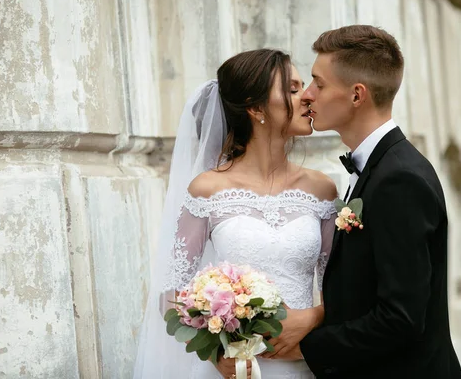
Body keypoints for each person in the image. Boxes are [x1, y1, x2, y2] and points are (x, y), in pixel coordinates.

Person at [265, 25, 461, 378]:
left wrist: (306, 347)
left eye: (318, 83)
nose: (307, 95)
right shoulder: (380, 167)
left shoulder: (398, 180)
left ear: (357, 95)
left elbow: (400, 319)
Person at [132, 48, 337, 379]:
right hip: (238, 370)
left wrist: (313, 316)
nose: (307, 97)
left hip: (304, 364)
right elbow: (171, 295)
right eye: (293, 88)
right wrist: (214, 351)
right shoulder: (207, 190)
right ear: (256, 108)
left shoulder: (322, 190)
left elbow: (340, 291)